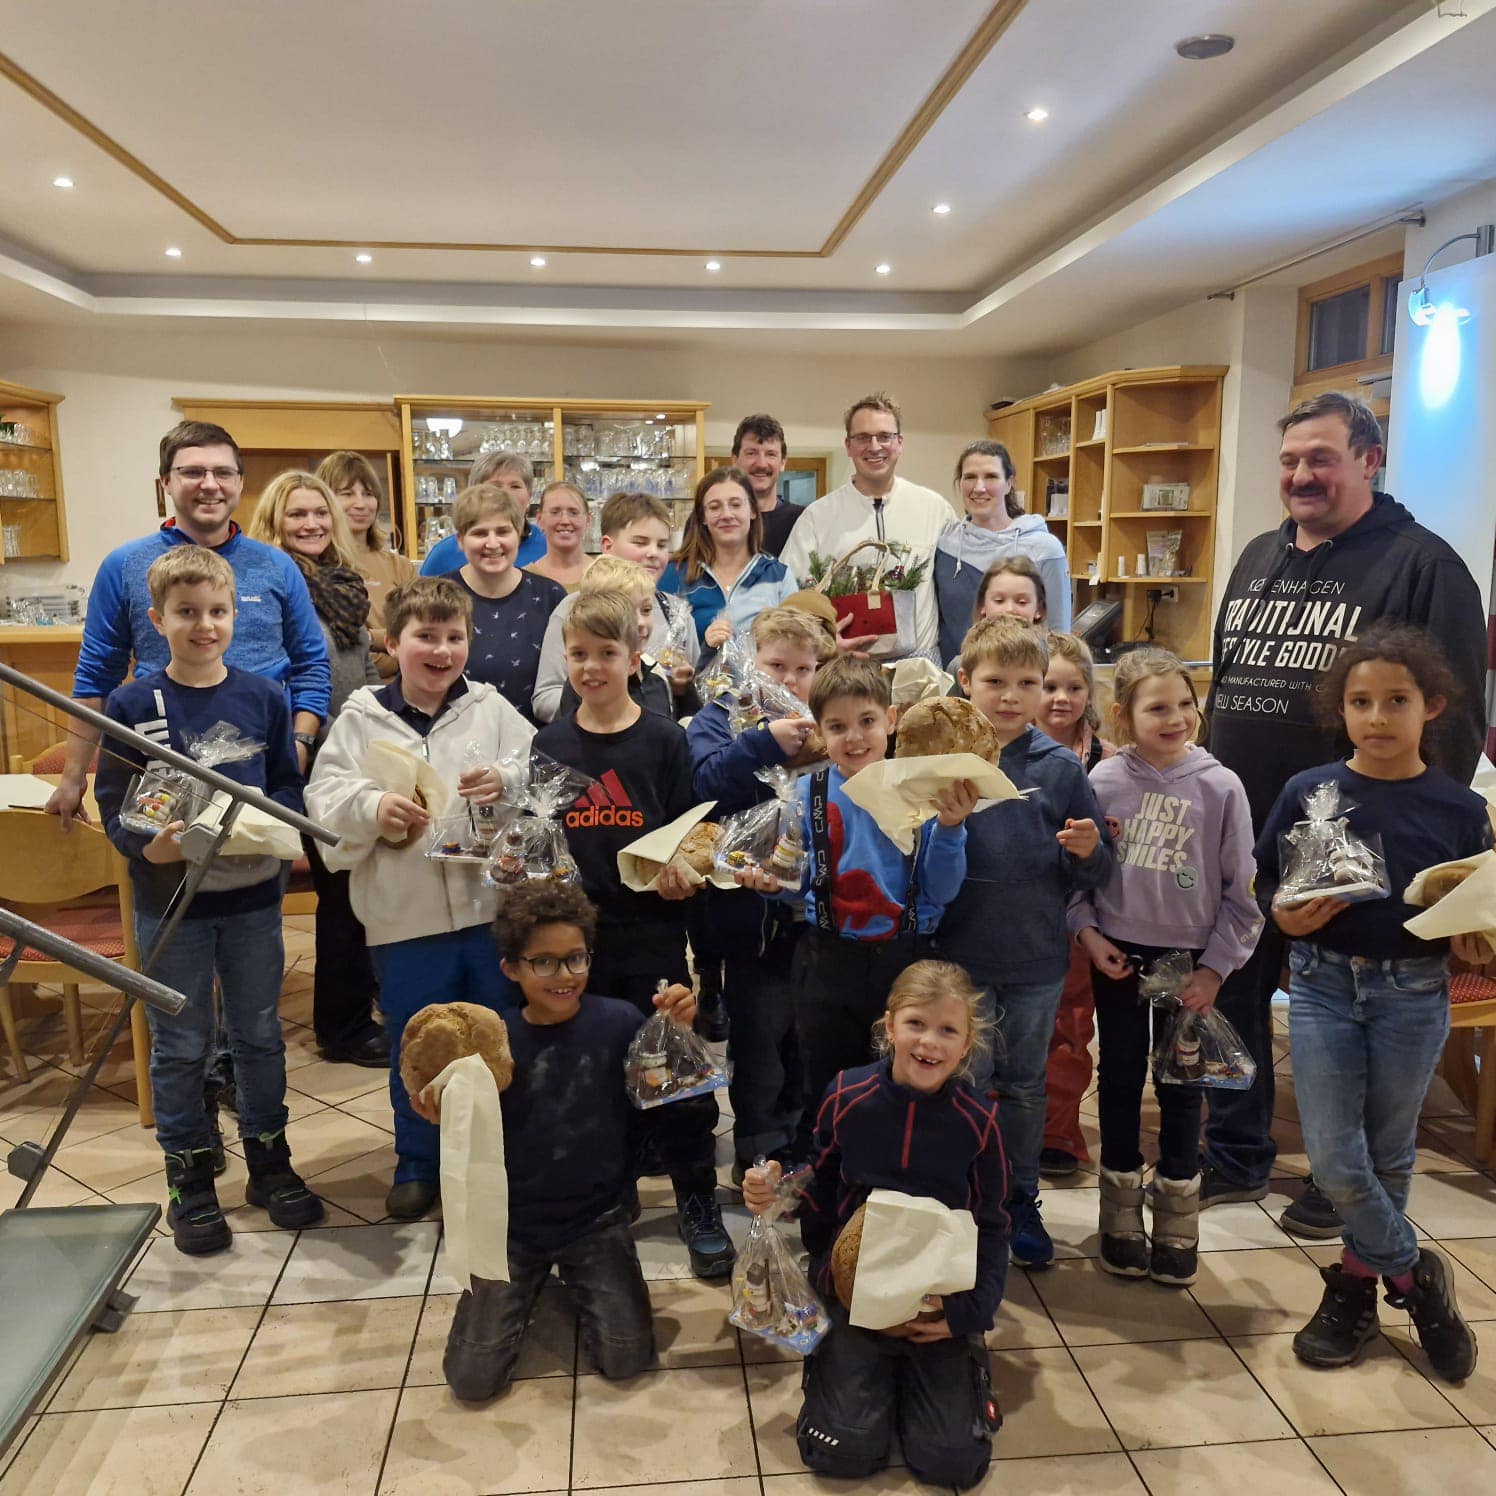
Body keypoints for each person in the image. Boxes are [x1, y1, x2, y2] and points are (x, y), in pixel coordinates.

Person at [1204, 391, 1487, 1239]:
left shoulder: (1423, 565)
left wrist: (1415, 848)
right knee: (1238, 992)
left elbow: (1456, 720)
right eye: (1290, 461)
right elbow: (1228, 679)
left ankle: (1346, 1178)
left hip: (1358, 842)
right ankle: (1237, 1149)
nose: (1300, 476)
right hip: (1248, 826)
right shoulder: (1260, 553)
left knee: (1350, 1007)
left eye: (1320, 458)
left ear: (1370, 460)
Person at [1254, 622, 1488, 1381]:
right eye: (1361, 701)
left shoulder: (1457, 809)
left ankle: (1356, 1285)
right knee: (1333, 1158)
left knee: (1388, 1155)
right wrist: (1283, 915)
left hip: (1414, 992)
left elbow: (1471, 910)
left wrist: (1474, 941)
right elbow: (1267, 883)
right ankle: (1416, 1279)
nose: (1378, 717)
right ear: (1341, 710)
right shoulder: (1310, 792)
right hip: (1321, 986)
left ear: (1434, 707)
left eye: (1397, 700)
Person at [94, 546, 323, 1255]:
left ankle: (268, 1159)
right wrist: (147, 846)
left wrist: (269, 813)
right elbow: (115, 802)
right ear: (158, 619)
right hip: (172, 905)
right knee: (180, 1043)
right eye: (187, 613)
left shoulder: (262, 696)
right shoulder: (135, 704)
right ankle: (189, 1174)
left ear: (235, 617)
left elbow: (288, 784)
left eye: (217, 612)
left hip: (252, 900)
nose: (204, 625)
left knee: (258, 1034)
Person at [305, 577, 536, 1220]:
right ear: (392, 642)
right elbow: (324, 803)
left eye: (454, 637)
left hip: (488, 910)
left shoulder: (489, 709)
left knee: (496, 1033)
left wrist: (506, 779)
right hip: (403, 919)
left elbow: (538, 773)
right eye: (425, 637)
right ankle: (418, 1157)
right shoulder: (361, 717)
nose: (441, 650)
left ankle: (501, 1148)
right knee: (418, 1037)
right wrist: (373, 807)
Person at [422, 882, 699, 1400]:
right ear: (511, 967)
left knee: (626, 1358)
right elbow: (459, 1135)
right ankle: (532, 1290)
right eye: (543, 962)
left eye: (575, 958)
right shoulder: (491, 1042)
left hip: (596, 1217)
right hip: (510, 1225)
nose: (564, 975)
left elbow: (673, 1111)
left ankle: (581, 1279)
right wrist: (440, 1110)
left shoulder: (619, 1022)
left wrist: (677, 1037)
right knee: (472, 1380)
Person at [742, 960, 1007, 1490]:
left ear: (967, 1043)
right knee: (837, 1450)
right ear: (889, 1027)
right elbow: (818, 1175)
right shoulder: (848, 1095)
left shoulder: (978, 1121)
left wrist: (968, 1312)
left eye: (947, 1030)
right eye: (916, 1024)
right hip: (854, 1291)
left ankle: (956, 1366)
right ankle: (850, 1367)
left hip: (936, 1299)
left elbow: (995, 1222)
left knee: (952, 1461)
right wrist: (779, 1187)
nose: (929, 1042)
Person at [533, 589, 734, 1279]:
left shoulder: (662, 738)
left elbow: (692, 832)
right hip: (577, 945)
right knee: (591, 1075)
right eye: (579, 654)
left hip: (651, 935)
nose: (591, 667)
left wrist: (684, 868)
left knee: (675, 1073)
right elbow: (538, 839)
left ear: (633, 659)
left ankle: (697, 1198)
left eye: (607, 654)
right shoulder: (550, 744)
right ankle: (604, 1200)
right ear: (565, 657)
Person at [1069, 648, 1262, 1286]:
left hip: (1191, 967)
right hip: (1119, 956)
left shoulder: (1221, 786)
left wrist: (1214, 970)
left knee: (1184, 1088)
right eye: (1158, 707)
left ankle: (1178, 1215)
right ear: (1123, 716)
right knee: (1120, 1078)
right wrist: (1089, 934)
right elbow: (1077, 877)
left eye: (1186, 704)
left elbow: (1242, 894)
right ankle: (1119, 1217)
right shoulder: (1099, 783)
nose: (1176, 717)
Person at [736, 656, 976, 1159]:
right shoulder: (807, 793)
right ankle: (828, 1180)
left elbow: (942, 890)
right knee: (826, 1078)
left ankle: (897, 1174)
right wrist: (769, 885)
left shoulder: (922, 789)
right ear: (820, 732)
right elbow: (795, 881)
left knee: (904, 1077)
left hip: (904, 962)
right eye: (838, 726)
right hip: (827, 959)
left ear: (891, 719)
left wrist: (952, 829)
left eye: (867, 721)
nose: (855, 737)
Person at [48, 420, 330, 826]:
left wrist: (298, 745)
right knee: (163, 876)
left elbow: (311, 667)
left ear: (239, 481)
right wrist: (72, 777)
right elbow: (96, 680)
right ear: (165, 482)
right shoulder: (123, 566)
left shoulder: (278, 566)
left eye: (223, 472)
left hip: (264, 760)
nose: (210, 484)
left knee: (256, 880)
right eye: (193, 472)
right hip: (162, 760)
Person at [937, 618, 1111, 1269]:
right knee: (965, 1084)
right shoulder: (943, 759)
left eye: (1026, 683)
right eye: (995, 682)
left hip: (1037, 960)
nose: (1010, 696)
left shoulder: (1061, 767)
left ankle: (1019, 1199)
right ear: (965, 682)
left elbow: (1092, 868)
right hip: (958, 959)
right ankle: (965, 1201)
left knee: (1024, 1087)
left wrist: (1094, 853)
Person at [245, 470, 387, 1067]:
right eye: (296, 515)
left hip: (350, 752)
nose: (311, 524)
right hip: (300, 756)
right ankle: (339, 1025)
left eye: (318, 513)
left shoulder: (342, 583)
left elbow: (362, 668)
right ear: (274, 522)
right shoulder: (274, 586)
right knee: (334, 893)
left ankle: (353, 1012)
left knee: (357, 890)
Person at [687, 604, 831, 1176]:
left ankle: (806, 1140)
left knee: (809, 1036)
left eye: (803, 669)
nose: (790, 681)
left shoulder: (831, 722)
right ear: (750, 664)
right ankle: (758, 1144)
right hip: (750, 920)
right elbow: (704, 784)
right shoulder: (721, 717)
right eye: (776, 666)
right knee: (759, 1040)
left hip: (817, 918)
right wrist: (765, 743)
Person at [780, 393, 954, 661]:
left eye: (884, 436)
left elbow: (957, 591)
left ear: (900, 442)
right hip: (846, 668)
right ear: (848, 445)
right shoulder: (818, 517)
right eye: (863, 438)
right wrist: (825, 645)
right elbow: (789, 598)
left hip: (921, 669)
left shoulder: (935, 509)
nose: (874, 447)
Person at [1035, 632, 1115, 1177]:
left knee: (1069, 1028)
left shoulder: (1108, 762)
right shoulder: (1002, 748)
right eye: (1048, 686)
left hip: (1081, 916)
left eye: (1074, 686)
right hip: (1022, 909)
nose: (1061, 698)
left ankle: (1058, 1132)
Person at [532, 491, 699, 724]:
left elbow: (697, 696)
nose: (653, 553)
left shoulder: (677, 614)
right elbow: (544, 697)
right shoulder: (573, 609)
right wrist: (606, 699)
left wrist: (681, 687)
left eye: (662, 545)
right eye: (640, 542)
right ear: (607, 546)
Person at [442, 482, 566, 725]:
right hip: (457, 741)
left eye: (502, 531)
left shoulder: (550, 596)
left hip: (539, 745)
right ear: (460, 539)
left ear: (518, 534)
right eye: (479, 533)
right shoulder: (437, 595)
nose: (492, 543)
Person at [935, 439, 1070, 662]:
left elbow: (1059, 638)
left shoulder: (1044, 548)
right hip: (958, 682)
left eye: (991, 476)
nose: (979, 487)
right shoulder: (945, 545)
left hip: (1022, 678)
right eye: (970, 477)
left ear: (1009, 483)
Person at [670, 465, 798, 663]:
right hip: (688, 692)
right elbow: (659, 651)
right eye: (714, 507)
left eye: (736, 504)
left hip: (762, 693)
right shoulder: (674, 574)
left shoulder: (779, 577)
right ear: (702, 517)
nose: (726, 514)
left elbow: (796, 648)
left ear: (753, 511)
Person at [552, 556, 690, 722]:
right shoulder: (587, 684)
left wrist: (684, 691)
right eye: (627, 611)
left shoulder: (656, 676)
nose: (640, 622)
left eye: (646, 610)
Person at [317, 450, 416, 680]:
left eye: (368, 493)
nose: (360, 504)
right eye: (347, 493)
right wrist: (390, 647)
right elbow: (336, 654)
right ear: (325, 499)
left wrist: (368, 639)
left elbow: (420, 636)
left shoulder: (400, 566)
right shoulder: (313, 566)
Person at [419, 451, 548, 577]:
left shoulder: (547, 545)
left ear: (529, 497)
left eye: (515, 486)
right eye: (496, 487)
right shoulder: (444, 554)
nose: (507, 494)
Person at [945, 555, 1049, 689]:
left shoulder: (1055, 663)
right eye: (999, 601)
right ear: (983, 604)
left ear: (1038, 608)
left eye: (1022, 602)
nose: (1009, 610)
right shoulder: (961, 665)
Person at [731, 412, 800, 558]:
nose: (761, 464)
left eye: (771, 454)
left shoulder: (802, 521)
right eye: (751, 453)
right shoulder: (715, 520)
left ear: (782, 463)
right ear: (735, 460)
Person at [524, 480, 589, 592]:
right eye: (555, 512)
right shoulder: (526, 580)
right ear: (539, 519)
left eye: (573, 513)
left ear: (588, 520)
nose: (565, 521)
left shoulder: (607, 575)